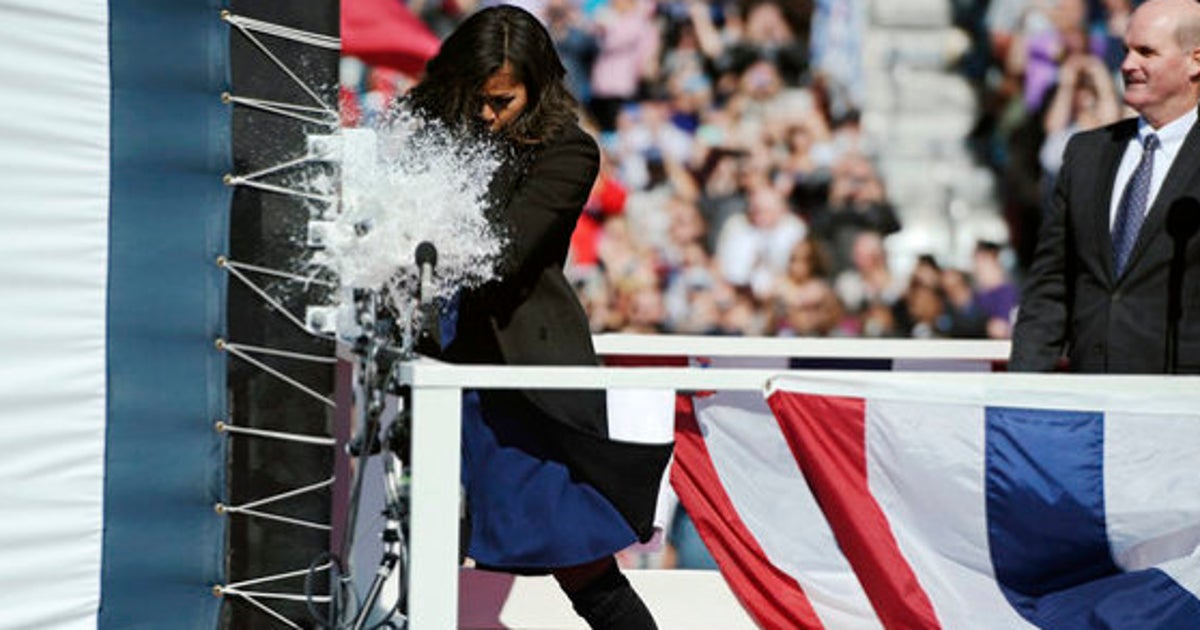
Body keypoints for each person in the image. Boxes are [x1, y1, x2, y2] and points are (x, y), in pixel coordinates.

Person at [405, 7, 670, 628]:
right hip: (422, 370)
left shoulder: (568, 149)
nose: (484, 115)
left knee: (587, 572)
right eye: (473, 99)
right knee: (406, 549)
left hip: (518, 390)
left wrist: (453, 174)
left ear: (537, 86)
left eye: (500, 100)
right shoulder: (428, 128)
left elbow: (507, 249)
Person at [1010, 0, 1200, 374]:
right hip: (1094, 406)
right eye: (1126, 50)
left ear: (1195, 61)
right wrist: (1022, 390)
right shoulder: (1087, 153)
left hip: (1183, 409)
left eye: (1147, 52)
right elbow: (1050, 287)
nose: (1127, 64)